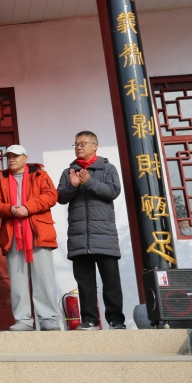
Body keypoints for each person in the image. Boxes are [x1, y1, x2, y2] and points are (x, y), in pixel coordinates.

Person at [56, 131, 126, 330]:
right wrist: (74, 186)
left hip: (104, 235)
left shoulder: (107, 168)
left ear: (95, 146)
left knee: (111, 281)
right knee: (85, 282)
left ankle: (116, 320)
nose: (78, 147)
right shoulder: (69, 171)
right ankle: (89, 320)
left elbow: (113, 191)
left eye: (83, 143)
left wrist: (90, 183)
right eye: (76, 144)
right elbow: (60, 197)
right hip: (79, 236)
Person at [0, 145, 60, 331]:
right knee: (18, 280)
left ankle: (48, 318)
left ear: (25, 157)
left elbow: (51, 196)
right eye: (9, 156)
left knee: (44, 278)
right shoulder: (2, 180)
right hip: (13, 234)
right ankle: (23, 320)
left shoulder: (39, 175)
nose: (11, 159)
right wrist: (11, 209)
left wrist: (28, 207)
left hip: (38, 233)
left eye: (16, 156)